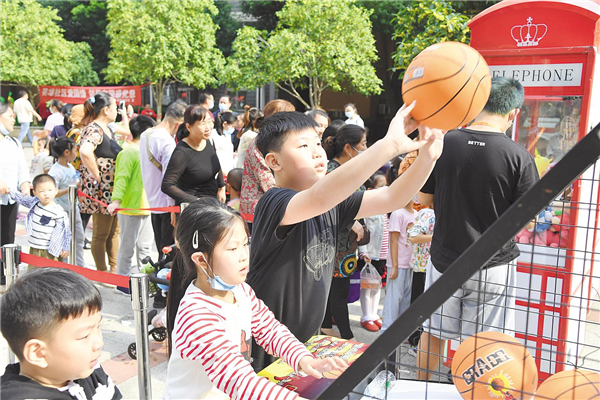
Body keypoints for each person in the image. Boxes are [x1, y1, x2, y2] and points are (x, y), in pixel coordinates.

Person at [247, 106, 444, 370]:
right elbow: (319, 197)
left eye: (317, 143)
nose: (317, 151)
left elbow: (391, 197)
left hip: (306, 345)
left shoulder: (333, 201)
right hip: (266, 345)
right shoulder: (273, 201)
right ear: (274, 162)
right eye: (303, 146)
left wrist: (428, 157)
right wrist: (389, 145)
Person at [416, 77, 539, 380]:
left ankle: (420, 391)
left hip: (444, 257)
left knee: (433, 333)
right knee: (486, 344)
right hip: (493, 264)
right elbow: (529, 220)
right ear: (513, 114)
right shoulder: (520, 156)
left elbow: (423, 198)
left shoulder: (445, 143)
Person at [164, 198, 347, 400]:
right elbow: (240, 381)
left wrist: (304, 359)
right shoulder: (197, 314)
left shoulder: (241, 290)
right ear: (200, 259)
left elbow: (270, 330)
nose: (244, 255)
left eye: (245, 244)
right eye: (233, 249)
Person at [1, 268, 122, 400]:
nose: (99, 343)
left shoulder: (86, 369)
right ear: (38, 353)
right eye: (85, 336)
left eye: (98, 327)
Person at [320, 124, 370, 340]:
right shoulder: (331, 172)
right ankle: (347, 337)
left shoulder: (347, 170)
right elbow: (325, 205)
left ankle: (326, 328)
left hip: (346, 245)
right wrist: (351, 222)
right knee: (339, 291)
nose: (366, 148)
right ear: (349, 148)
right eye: (364, 144)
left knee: (335, 290)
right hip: (334, 244)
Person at [107, 116, 156, 294]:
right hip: (129, 208)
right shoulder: (128, 152)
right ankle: (122, 282)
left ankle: (145, 281)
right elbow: (121, 178)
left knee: (145, 248)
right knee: (127, 248)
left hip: (148, 207)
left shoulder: (147, 152)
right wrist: (116, 201)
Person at [79, 92, 121, 273]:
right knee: (101, 233)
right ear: (106, 110)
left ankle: (114, 268)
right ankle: (102, 271)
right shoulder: (94, 129)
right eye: (115, 107)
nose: (117, 111)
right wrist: (96, 174)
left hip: (112, 189)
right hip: (101, 190)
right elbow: (85, 150)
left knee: (114, 232)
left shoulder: (108, 129)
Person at [139, 100, 186, 253]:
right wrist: (172, 206)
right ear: (178, 124)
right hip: (167, 206)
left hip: (153, 203)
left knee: (161, 250)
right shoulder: (167, 142)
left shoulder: (145, 135)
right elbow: (170, 178)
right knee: (169, 253)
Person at [162, 105, 226, 206]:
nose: (208, 128)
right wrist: (195, 201)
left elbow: (215, 163)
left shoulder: (207, 140)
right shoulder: (182, 152)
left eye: (209, 122)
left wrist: (222, 186)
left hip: (211, 203)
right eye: (203, 123)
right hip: (193, 209)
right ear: (188, 127)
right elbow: (167, 185)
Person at [240, 99, 295, 215]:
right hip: (259, 208)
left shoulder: (282, 141)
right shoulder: (258, 143)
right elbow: (267, 182)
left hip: (278, 203)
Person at [0, 103, 31, 284]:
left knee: (8, 237)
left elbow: (22, 168)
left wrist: (25, 185)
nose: (14, 119)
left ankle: (6, 276)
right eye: (10, 115)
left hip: (10, 199)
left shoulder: (14, 142)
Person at [9, 174, 70, 262]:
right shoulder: (35, 203)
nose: (46, 194)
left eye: (50, 190)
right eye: (41, 191)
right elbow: (22, 199)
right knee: (34, 273)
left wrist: (65, 247)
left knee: (50, 273)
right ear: (35, 193)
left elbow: (66, 232)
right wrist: (9, 191)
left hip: (50, 250)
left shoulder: (59, 212)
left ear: (56, 190)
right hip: (34, 247)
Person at [48, 136, 86, 267]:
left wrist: (77, 184)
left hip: (73, 208)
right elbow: (52, 192)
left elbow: (75, 181)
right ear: (66, 152)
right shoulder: (56, 171)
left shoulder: (70, 167)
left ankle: (79, 265)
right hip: (61, 211)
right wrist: (71, 188)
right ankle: (64, 268)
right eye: (74, 151)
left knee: (78, 237)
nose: (76, 154)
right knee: (63, 242)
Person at [357, 171, 389, 332]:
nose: (386, 188)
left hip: (382, 254)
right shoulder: (368, 208)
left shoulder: (386, 207)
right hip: (370, 253)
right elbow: (363, 232)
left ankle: (374, 314)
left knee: (377, 286)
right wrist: (363, 251)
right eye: (382, 186)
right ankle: (366, 315)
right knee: (367, 285)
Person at [380, 195, 416, 334]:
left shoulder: (416, 214)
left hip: (411, 264)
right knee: (393, 299)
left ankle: (400, 332)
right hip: (398, 263)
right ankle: (386, 332)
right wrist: (394, 266)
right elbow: (393, 240)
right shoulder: (397, 213)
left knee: (406, 298)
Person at [406, 206, 435, 353]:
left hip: (430, 268)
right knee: (421, 307)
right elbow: (413, 236)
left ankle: (417, 342)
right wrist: (436, 236)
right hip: (424, 268)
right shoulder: (428, 213)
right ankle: (415, 343)